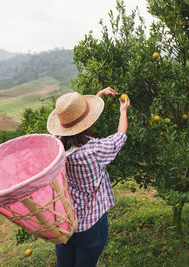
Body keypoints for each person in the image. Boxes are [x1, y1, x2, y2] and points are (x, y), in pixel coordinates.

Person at [46, 87, 130, 267]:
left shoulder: (56, 144)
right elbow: (120, 136)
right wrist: (123, 111)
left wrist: (98, 96)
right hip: (91, 222)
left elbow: (72, 124)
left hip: (66, 220)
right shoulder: (94, 151)